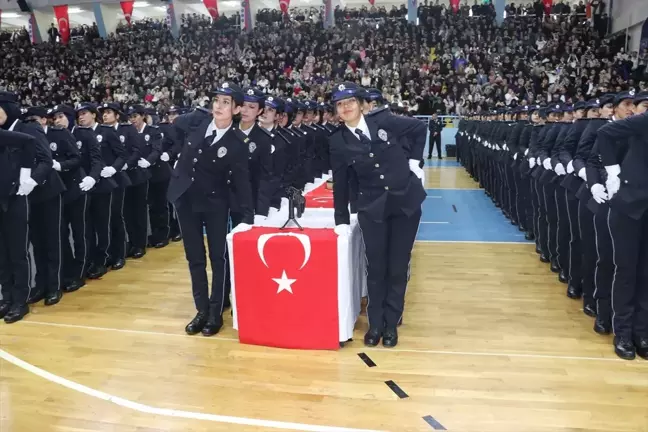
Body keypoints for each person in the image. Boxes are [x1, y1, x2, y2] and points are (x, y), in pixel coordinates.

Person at [328, 82, 427, 348]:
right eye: (340, 104)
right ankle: (375, 324)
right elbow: (341, 181)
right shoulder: (337, 140)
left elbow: (420, 128)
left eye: (350, 101)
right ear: (336, 111)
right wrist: (340, 219)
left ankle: (391, 325)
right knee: (376, 268)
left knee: (397, 266)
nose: (346, 107)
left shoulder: (384, 121)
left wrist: (415, 163)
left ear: (361, 103)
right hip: (372, 208)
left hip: (405, 203)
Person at [167, 82, 254, 337]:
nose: (219, 105)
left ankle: (215, 313)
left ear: (236, 109)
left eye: (226, 102)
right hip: (186, 199)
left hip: (215, 202)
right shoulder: (195, 124)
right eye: (217, 100)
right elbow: (173, 133)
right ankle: (201, 310)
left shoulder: (238, 142)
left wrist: (247, 216)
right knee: (194, 258)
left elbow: (242, 181)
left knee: (218, 258)